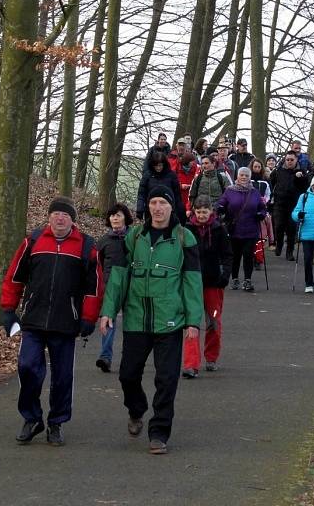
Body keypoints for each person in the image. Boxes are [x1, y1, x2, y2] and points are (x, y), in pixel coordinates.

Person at [100, 186, 203, 455]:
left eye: (163, 203)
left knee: (167, 379)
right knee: (127, 375)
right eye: (153, 203)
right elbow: (119, 276)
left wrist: (193, 321)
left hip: (170, 320)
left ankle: (159, 432)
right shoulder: (134, 237)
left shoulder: (184, 238)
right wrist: (108, 311)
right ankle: (136, 409)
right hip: (136, 318)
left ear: (172, 207)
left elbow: (192, 282)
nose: (157, 208)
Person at [0, 196, 103, 446]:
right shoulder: (33, 241)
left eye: (65, 215)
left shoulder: (86, 246)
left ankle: (56, 422)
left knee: (62, 376)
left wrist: (89, 317)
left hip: (66, 322)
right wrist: (8, 309)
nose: (60, 218)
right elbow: (14, 277)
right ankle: (32, 417)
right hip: (33, 319)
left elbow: (95, 286)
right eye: (56, 214)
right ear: (49, 217)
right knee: (27, 367)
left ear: (72, 221)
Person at [182, 195, 232, 377]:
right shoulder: (186, 230)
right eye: (199, 212)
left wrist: (225, 275)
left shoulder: (219, 229)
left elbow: (228, 255)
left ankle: (211, 357)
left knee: (213, 321)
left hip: (214, 283)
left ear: (211, 212)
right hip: (192, 284)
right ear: (194, 211)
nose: (202, 215)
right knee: (191, 322)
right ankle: (190, 364)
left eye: (205, 212)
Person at [96, 203, 133, 373]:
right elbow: (98, 265)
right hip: (110, 286)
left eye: (118, 215)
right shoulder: (103, 241)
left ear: (125, 217)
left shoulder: (135, 237)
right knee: (108, 321)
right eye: (111, 216)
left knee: (131, 323)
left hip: (132, 285)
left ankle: (130, 357)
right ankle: (105, 357)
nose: (115, 218)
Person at [216, 167, 266, 292]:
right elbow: (221, 203)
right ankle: (235, 279)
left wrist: (261, 214)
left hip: (251, 229)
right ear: (237, 177)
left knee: (248, 255)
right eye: (241, 175)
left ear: (250, 177)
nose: (244, 177)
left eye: (246, 175)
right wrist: (220, 207)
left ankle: (248, 280)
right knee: (235, 255)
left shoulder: (255, 192)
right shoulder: (229, 191)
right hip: (234, 229)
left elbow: (262, 207)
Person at [269, 150, 307, 260]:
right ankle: (279, 244)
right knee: (279, 226)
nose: (289, 162)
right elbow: (271, 184)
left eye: (292, 160)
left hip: (294, 205)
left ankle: (289, 252)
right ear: (285, 160)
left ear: (296, 160)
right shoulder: (278, 171)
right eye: (288, 160)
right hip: (279, 203)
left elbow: (304, 188)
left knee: (291, 229)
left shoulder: (302, 172)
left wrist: (299, 178)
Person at [136, 152, 185, 224]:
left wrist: (180, 211)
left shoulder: (172, 175)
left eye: (160, 165)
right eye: (156, 166)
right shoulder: (147, 176)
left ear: (164, 164)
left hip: (168, 210)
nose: (158, 168)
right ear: (152, 165)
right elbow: (141, 194)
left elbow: (177, 195)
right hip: (151, 210)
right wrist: (140, 209)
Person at [250, 159, 274, 259]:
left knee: (262, 233)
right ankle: (252, 255)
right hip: (250, 208)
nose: (257, 169)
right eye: (255, 167)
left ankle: (259, 257)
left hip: (262, 208)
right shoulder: (248, 181)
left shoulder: (265, 182)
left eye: (259, 167)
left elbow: (269, 194)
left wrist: (265, 201)